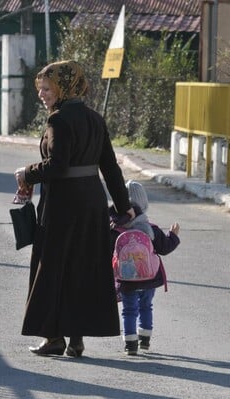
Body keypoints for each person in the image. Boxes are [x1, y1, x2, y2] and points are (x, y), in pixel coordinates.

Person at [14, 60, 135, 357]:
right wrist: (124, 206)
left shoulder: (58, 120)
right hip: (91, 202)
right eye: (40, 88)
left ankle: (54, 337)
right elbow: (110, 166)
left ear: (64, 87)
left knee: (53, 267)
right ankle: (76, 339)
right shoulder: (95, 118)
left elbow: (57, 165)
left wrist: (27, 173)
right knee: (81, 267)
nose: (42, 94)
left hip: (63, 204)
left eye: (48, 88)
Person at [110, 180, 180, 355]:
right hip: (149, 277)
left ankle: (130, 344)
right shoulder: (151, 229)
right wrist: (173, 236)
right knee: (146, 306)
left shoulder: (115, 229)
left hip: (126, 278)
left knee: (128, 310)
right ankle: (145, 340)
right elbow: (164, 248)